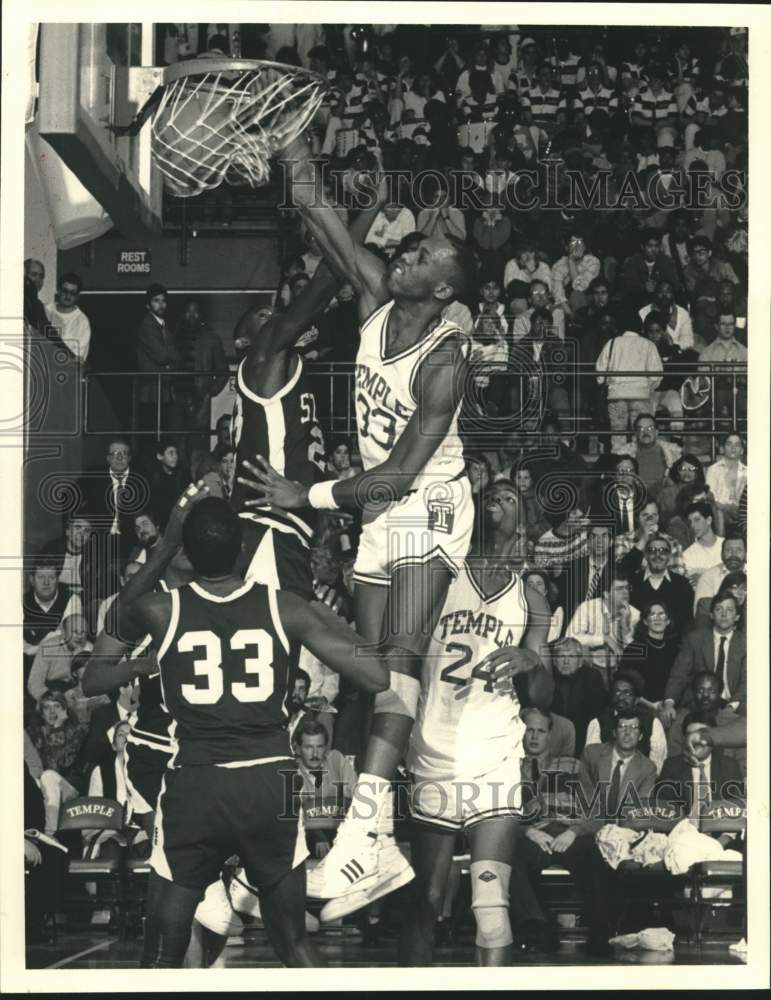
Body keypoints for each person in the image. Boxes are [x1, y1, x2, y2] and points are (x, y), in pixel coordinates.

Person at [237, 134, 479, 913]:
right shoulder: (379, 298)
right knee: (373, 674)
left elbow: (401, 474)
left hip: (429, 506)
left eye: (420, 259)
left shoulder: (444, 361)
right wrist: (294, 147)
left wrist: (298, 495)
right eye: (405, 253)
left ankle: (361, 837)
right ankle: (374, 844)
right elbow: (320, 216)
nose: (402, 257)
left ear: (440, 292)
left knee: (400, 662)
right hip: (376, 515)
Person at [85, 487, 393, 968]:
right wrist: (324, 614)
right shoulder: (286, 605)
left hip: (196, 784)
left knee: (161, 951)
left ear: (186, 549)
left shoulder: (161, 610)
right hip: (267, 783)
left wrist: (166, 542)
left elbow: (112, 632)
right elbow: (377, 676)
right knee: (294, 943)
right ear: (245, 548)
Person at [399, 479, 553, 966]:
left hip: (496, 758)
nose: (497, 504)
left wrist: (534, 666)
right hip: (434, 751)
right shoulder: (440, 576)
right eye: (491, 496)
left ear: (521, 519)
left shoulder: (531, 599)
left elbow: (544, 697)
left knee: (491, 907)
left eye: (509, 498)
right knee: (425, 904)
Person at [516, 711, 657, 956]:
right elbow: (497, 815)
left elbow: (594, 809)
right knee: (510, 860)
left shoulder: (573, 765)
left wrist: (573, 831)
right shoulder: (508, 767)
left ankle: (601, 934)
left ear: (550, 735)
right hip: (531, 835)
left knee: (596, 859)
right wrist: (527, 831)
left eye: (540, 731)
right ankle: (537, 928)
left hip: (569, 832)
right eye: (529, 730)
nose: (534, 736)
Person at [660, 593, 746, 725]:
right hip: (699, 702)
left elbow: (747, 681)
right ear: (711, 615)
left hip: (734, 702)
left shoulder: (747, 643)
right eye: (718, 609)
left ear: (737, 617)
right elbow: (679, 674)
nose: (724, 614)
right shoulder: (694, 639)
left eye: (729, 610)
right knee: (676, 724)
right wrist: (669, 703)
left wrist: (730, 707)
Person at [595, 314, 663, 451]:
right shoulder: (648, 345)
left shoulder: (612, 343)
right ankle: (636, 465)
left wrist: (610, 383)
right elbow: (657, 374)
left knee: (617, 434)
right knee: (639, 435)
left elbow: (600, 373)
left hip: (616, 395)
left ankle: (619, 463)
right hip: (640, 395)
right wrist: (647, 387)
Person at [656, 713, 744, 816]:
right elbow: (666, 810)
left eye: (704, 735)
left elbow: (737, 809)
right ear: (684, 739)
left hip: (721, 827)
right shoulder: (672, 767)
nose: (697, 741)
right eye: (691, 735)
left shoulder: (730, 766)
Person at [585, 670, 667, 773]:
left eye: (627, 693)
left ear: (636, 699)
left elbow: (657, 766)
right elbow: (592, 762)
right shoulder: (598, 723)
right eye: (617, 692)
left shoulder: (652, 723)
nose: (621, 697)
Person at [666, 671, 746, 775]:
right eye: (700, 690)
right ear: (693, 693)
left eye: (712, 691)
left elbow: (742, 763)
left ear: (720, 693)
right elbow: (674, 761)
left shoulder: (734, 723)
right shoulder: (680, 721)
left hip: (728, 778)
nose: (705, 695)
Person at [566, 571, 640, 681]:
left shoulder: (634, 614)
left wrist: (625, 625)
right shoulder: (588, 608)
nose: (625, 593)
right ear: (606, 593)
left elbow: (634, 653)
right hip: (590, 667)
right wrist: (603, 639)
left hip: (621, 671)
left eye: (626, 588)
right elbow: (570, 637)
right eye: (619, 589)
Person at [549, 637, 608, 757]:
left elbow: (599, 715)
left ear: (580, 662)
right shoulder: (548, 679)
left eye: (571, 657)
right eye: (561, 657)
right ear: (554, 661)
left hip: (585, 740)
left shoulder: (592, 678)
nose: (566, 661)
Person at [625, 536, 694, 637]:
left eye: (663, 551)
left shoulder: (682, 585)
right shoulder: (632, 583)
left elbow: (687, 624)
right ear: (646, 555)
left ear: (670, 556)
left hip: (674, 647)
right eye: (652, 551)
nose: (657, 555)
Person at [619, 599, 682, 705]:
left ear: (668, 621)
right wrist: (651, 706)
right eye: (652, 614)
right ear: (645, 621)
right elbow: (626, 685)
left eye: (661, 614)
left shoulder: (675, 649)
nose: (657, 618)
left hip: (670, 705)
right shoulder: (634, 649)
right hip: (642, 706)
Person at [27, 613, 92, 704]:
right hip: (51, 689)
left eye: (83, 632)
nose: (79, 636)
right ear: (63, 632)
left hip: (77, 691)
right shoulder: (48, 648)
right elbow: (34, 682)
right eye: (74, 632)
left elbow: (92, 682)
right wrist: (50, 700)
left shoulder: (89, 649)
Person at [613, 414, 681, 499]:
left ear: (656, 432)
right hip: (633, 499)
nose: (645, 432)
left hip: (664, 499)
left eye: (650, 428)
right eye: (641, 429)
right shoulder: (623, 453)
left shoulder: (672, 452)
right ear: (635, 433)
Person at [615, 499, 686, 578]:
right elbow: (621, 574)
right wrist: (643, 541)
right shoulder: (622, 540)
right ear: (637, 518)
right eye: (645, 515)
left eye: (654, 515)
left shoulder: (672, 542)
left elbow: (678, 577)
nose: (650, 519)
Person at [44, 272, 91, 363]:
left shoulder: (82, 322)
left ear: (77, 296)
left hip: (66, 370)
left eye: (73, 293)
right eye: (65, 291)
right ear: (58, 290)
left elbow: (77, 357)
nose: (68, 296)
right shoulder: (45, 310)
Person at [693, 533, 746, 610]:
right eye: (728, 550)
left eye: (739, 550)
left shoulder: (758, 575)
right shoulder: (708, 578)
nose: (733, 554)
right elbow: (702, 614)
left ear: (746, 554)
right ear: (721, 554)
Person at [704, 432, 747, 529]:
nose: (733, 448)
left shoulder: (748, 472)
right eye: (729, 444)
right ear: (722, 449)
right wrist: (726, 507)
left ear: (742, 450)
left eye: (737, 445)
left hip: (742, 513)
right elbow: (711, 497)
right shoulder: (713, 470)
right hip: (720, 511)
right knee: (718, 512)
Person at [682, 501, 724, 586]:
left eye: (697, 520)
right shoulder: (688, 555)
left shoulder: (726, 545)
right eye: (690, 522)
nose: (693, 525)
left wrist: (703, 575)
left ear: (709, 520)